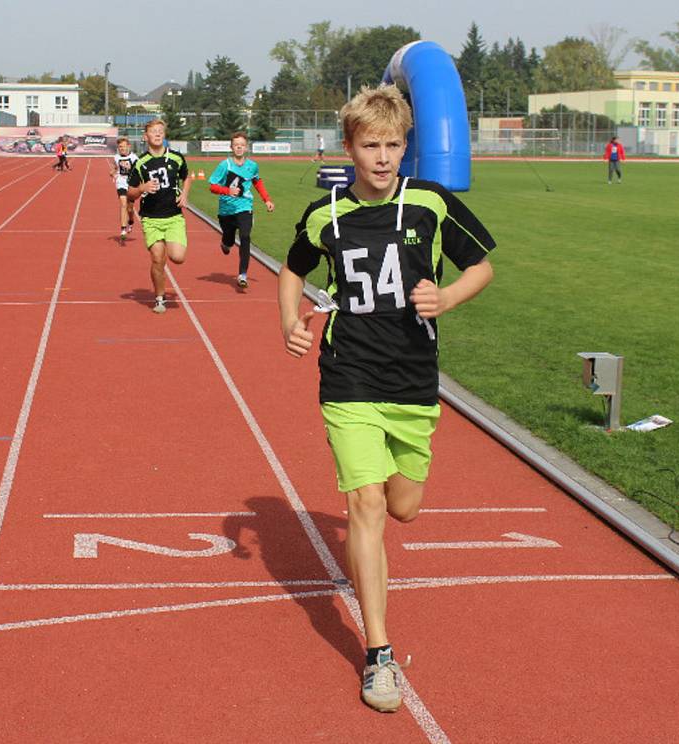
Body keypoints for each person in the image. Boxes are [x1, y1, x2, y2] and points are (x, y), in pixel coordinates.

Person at [278, 84, 495, 713]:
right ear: (348, 148)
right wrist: (289, 321)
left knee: (403, 506)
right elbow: (292, 269)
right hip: (348, 376)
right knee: (364, 502)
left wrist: (448, 297)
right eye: (369, 145)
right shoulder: (326, 216)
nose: (381, 156)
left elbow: (481, 266)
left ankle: (392, 497)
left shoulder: (430, 203)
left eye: (393, 144)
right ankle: (378, 653)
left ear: (406, 147)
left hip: (413, 383)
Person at [126, 119, 192, 314]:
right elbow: (130, 192)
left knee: (177, 257)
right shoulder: (140, 163)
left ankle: (162, 290)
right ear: (145, 137)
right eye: (153, 131)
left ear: (164, 135)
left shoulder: (177, 158)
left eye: (160, 131)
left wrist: (185, 194)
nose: (157, 134)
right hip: (151, 218)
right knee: (157, 258)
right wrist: (142, 188)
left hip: (173, 217)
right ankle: (160, 297)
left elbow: (187, 176)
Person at [207, 131, 275, 289]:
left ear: (246, 148)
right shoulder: (225, 165)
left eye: (242, 145)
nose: (239, 148)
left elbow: (257, 182)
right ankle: (226, 243)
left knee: (245, 236)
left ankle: (243, 274)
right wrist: (227, 191)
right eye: (236, 145)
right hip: (226, 210)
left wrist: (267, 200)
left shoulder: (252, 166)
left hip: (245, 206)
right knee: (229, 239)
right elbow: (212, 186)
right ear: (231, 147)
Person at [110, 136, 138, 242]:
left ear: (128, 146)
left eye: (123, 146)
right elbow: (115, 168)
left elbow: (139, 171)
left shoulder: (134, 158)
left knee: (130, 209)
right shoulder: (116, 157)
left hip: (131, 184)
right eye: (120, 147)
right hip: (121, 182)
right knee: (123, 204)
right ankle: (123, 229)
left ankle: (131, 221)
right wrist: (112, 172)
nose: (121, 148)